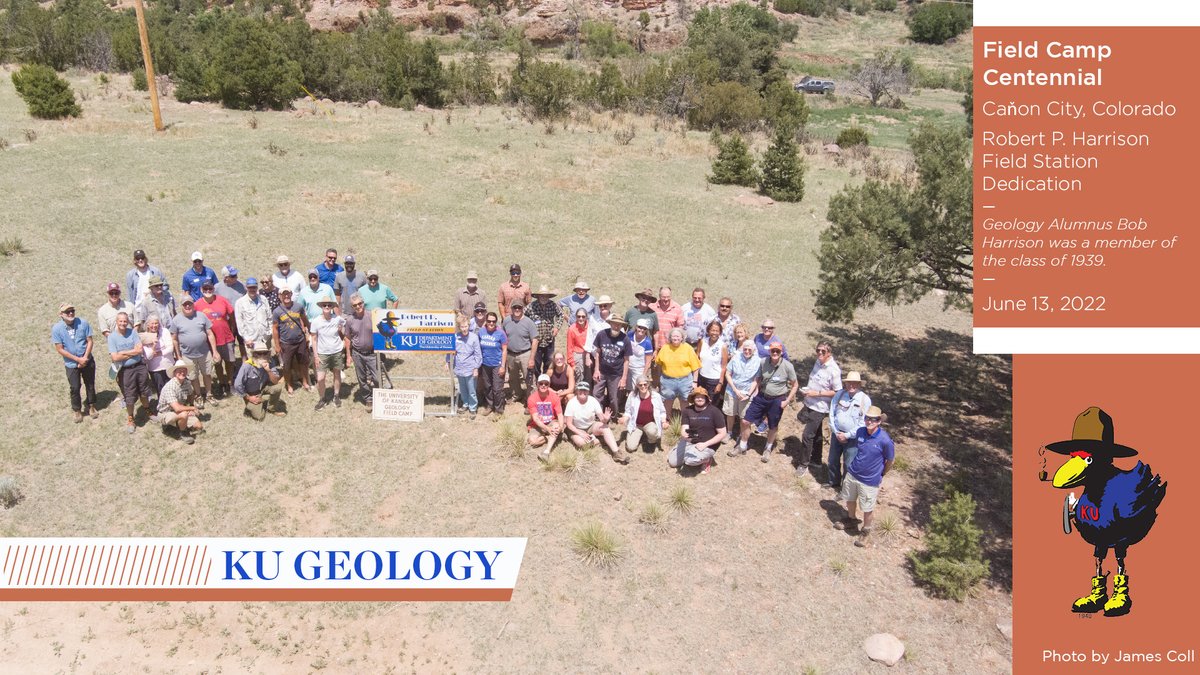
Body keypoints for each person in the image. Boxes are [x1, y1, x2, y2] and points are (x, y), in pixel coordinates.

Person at [839, 407, 894, 548]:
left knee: (867, 508)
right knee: (850, 499)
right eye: (867, 418)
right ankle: (851, 519)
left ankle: (866, 530)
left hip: (869, 480)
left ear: (879, 421)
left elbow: (890, 461)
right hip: (853, 473)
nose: (869, 421)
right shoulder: (860, 432)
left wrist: (881, 473)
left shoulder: (885, 440)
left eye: (874, 419)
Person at [733, 341, 798, 462]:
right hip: (762, 396)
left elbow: (795, 385)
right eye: (772, 350)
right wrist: (753, 392)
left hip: (777, 399)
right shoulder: (763, 362)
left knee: (773, 426)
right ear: (769, 352)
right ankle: (742, 445)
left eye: (777, 351)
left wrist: (787, 401)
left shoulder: (788, 366)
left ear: (781, 352)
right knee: (745, 420)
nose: (774, 353)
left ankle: (767, 448)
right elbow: (758, 378)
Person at [797, 340, 842, 477]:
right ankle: (816, 460)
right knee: (816, 434)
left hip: (820, 407)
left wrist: (817, 394)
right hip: (810, 402)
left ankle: (803, 464)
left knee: (807, 435)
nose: (820, 353)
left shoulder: (833, 370)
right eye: (818, 350)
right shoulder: (818, 363)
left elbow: (838, 391)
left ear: (829, 353)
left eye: (824, 351)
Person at [108, 312, 155, 434]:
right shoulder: (112, 337)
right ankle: (131, 418)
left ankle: (148, 410)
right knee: (129, 396)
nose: (123, 323)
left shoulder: (133, 332)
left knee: (144, 391)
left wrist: (123, 353)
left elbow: (139, 350)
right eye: (121, 321)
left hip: (140, 367)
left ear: (128, 321)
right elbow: (115, 358)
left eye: (125, 321)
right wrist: (132, 351)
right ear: (117, 322)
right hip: (125, 371)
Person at [169, 297, 220, 409]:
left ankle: (209, 394)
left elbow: (210, 334)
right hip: (187, 355)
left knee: (207, 374)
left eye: (190, 304)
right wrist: (178, 356)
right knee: (193, 376)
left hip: (205, 352)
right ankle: (198, 396)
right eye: (185, 304)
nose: (187, 306)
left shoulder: (201, 316)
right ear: (181, 306)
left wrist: (214, 351)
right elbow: (174, 339)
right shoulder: (176, 320)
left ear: (193, 305)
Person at [52, 302, 97, 422]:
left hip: (87, 360)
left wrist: (85, 358)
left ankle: (91, 406)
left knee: (90, 384)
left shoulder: (83, 323)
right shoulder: (57, 329)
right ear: (61, 314)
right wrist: (78, 360)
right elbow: (60, 349)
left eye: (72, 310)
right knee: (75, 387)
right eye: (67, 312)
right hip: (71, 364)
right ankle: (77, 410)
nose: (71, 313)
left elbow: (90, 341)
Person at [564, 382, 630, 464]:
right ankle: (601, 440)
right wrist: (580, 433)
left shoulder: (593, 400)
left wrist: (605, 419)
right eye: (580, 390)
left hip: (591, 425)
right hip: (576, 428)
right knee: (582, 444)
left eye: (585, 390)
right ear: (577, 391)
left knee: (605, 427)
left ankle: (616, 453)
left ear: (588, 392)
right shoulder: (572, 403)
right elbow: (569, 424)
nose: (583, 392)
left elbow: (602, 420)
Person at [828, 371, 872, 491]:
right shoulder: (840, 395)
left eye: (854, 383)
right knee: (833, 459)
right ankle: (833, 482)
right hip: (837, 434)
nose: (851, 386)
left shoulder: (864, 400)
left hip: (853, 438)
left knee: (849, 464)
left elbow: (863, 423)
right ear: (845, 384)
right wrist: (835, 431)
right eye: (849, 383)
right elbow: (832, 412)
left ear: (859, 385)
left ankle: (846, 490)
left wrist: (847, 435)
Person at [195, 281, 240, 398]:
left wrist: (232, 330)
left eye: (210, 289)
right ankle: (222, 383)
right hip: (210, 341)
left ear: (213, 289)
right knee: (217, 363)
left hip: (226, 337)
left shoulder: (222, 300)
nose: (208, 291)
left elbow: (231, 316)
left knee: (230, 362)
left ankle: (230, 383)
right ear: (201, 290)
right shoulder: (197, 305)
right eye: (205, 289)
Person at [670, 386, 726, 474]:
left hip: (707, 444)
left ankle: (707, 459)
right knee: (672, 463)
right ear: (693, 399)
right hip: (690, 441)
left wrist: (705, 444)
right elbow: (684, 428)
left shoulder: (715, 412)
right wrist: (684, 434)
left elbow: (722, 434)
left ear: (707, 398)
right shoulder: (687, 410)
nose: (699, 399)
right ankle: (685, 450)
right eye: (697, 397)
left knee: (689, 460)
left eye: (702, 397)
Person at [310, 296, 349, 410]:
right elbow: (314, 339)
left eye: (329, 305)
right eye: (324, 305)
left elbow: (346, 326)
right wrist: (316, 356)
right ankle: (322, 398)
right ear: (321, 307)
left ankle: (336, 396)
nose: (327, 307)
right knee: (321, 377)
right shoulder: (316, 321)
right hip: (322, 353)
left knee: (337, 374)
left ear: (332, 307)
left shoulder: (337, 318)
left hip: (336, 351)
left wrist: (341, 330)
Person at [654, 327, 700, 421]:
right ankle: (667, 418)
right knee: (667, 400)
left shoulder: (688, 348)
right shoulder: (665, 348)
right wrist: (658, 379)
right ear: (670, 337)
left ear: (682, 337)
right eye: (673, 336)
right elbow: (659, 365)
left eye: (678, 336)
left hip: (685, 380)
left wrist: (695, 382)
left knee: (685, 400)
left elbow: (696, 367)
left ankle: (685, 419)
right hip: (667, 380)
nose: (675, 338)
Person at [722, 340, 762, 445]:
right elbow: (728, 374)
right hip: (732, 391)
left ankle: (741, 435)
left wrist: (748, 394)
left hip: (747, 394)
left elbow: (756, 380)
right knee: (730, 414)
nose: (747, 351)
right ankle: (729, 432)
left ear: (754, 350)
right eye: (745, 349)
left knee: (743, 417)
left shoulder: (758, 361)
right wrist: (735, 389)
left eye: (749, 349)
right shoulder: (736, 358)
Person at [343, 292, 379, 410]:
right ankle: (368, 399)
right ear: (352, 307)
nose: (358, 307)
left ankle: (381, 397)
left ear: (363, 303)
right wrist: (348, 356)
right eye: (355, 305)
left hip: (372, 353)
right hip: (357, 354)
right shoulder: (350, 320)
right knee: (361, 378)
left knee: (377, 378)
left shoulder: (372, 316)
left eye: (360, 304)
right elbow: (347, 338)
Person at [233, 340, 286, 420]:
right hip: (252, 393)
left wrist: (268, 370)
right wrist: (248, 397)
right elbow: (237, 384)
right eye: (259, 353)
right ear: (254, 354)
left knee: (277, 387)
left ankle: (271, 408)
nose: (262, 356)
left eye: (264, 353)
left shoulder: (271, 362)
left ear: (268, 354)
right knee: (260, 417)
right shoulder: (247, 365)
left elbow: (275, 382)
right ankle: (252, 404)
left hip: (263, 387)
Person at [271, 288, 311, 394]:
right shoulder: (277, 311)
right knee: (286, 365)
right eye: (284, 294)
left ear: (291, 294)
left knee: (303, 362)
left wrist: (310, 331)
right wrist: (277, 345)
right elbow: (275, 329)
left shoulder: (298, 306)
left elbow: (304, 319)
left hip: (300, 340)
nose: (286, 296)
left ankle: (305, 381)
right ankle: (289, 385)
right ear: (280, 296)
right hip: (286, 343)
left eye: (288, 294)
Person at [502, 301, 538, 407]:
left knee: (529, 379)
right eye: (515, 308)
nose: (517, 310)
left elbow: (535, 340)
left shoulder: (529, 322)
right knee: (513, 378)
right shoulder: (506, 321)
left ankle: (531, 400)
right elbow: (503, 336)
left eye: (519, 308)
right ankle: (516, 394)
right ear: (511, 309)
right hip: (511, 354)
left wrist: (532, 358)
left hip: (525, 353)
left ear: (523, 309)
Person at [157, 359, 203, 445]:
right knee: (184, 414)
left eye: (184, 370)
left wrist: (191, 405)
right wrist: (192, 408)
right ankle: (183, 433)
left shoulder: (186, 382)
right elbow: (177, 408)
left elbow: (190, 394)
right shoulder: (170, 386)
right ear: (174, 373)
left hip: (180, 409)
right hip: (166, 412)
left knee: (199, 426)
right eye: (179, 371)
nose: (182, 372)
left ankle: (178, 424)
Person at [590, 316, 630, 415]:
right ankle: (598, 414)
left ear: (621, 326)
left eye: (619, 324)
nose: (616, 326)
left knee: (614, 397)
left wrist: (624, 378)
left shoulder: (625, 339)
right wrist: (596, 370)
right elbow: (598, 353)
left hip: (616, 374)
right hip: (602, 371)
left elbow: (626, 360)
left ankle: (613, 415)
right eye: (614, 323)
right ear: (610, 323)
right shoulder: (602, 334)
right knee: (596, 393)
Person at [620, 376, 665, 454]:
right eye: (640, 385)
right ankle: (640, 434)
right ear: (637, 386)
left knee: (653, 432)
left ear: (648, 384)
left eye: (645, 384)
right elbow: (628, 411)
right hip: (636, 425)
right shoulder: (632, 395)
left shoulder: (655, 396)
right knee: (631, 448)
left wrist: (663, 422)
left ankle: (651, 440)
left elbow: (662, 412)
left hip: (650, 423)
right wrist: (624, 418)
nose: (643, 386)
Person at [476, 311, 508, 416]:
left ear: (496, 322)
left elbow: (504, 350)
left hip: (497, 364)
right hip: (485, 364)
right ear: (486, 321)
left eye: (493, 322)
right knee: (487, 386)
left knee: (497, 388)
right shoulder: (481, 332)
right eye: (489, 321)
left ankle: (499, 410)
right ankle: (490, 405)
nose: (491, 323)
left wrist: (503, 366)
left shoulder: (501, 333)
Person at [450, 317, 482, 418]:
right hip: (459, 368)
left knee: (471, 389)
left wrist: (476, 368)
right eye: (462, 327)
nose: (464, 329)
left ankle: (473, 408)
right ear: (459, 327)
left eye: (466, 326)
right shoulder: (456, 337)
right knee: (462, 388)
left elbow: (478, 355)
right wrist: (447, 361)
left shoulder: (474, 338)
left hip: (470, 368)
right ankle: (465, 404)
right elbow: (450, 350)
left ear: (469, 326)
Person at [527, 374, 564, 460]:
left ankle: (546, 452)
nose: (543, 385)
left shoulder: (555, 397)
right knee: (532, 441)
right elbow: (535, 419)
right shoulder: (532, 398)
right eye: (541, 383)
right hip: (537, 425)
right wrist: (547, 429)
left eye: (546, 383)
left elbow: (560, 414)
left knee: (556, 427)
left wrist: (561, 427)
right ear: (537, 384)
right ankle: (552, 437)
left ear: (549, 385)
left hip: (551, 422)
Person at [527, 286, 561, 377]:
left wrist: (557, 327)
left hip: (549, 339)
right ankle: (538, 381)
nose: (544, 298)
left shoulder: (553, 305)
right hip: (536, 340)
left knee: (549, 361)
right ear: (538, 296)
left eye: (546, 296)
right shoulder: (531, 306)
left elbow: (560, 315)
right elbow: (523, 317)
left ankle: (546, 380)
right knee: (536, 363)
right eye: (542, 296)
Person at [235, 278, 272, 355]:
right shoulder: (240, 303)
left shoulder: (263, 299)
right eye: (250, 287)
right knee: (254, 363)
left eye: (254, 287)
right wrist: (246, 339)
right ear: (246, 288)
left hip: (265, 338)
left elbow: (269, 317)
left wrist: (269, 333)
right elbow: (240, 323)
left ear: (257, 287)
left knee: (266, 362)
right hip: (251, 340)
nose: (252, 289)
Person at [140, 315, 175, 396]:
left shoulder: (164, 331)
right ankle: (163, 406)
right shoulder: (144, 336)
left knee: (172, 387)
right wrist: (153, 346)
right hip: (155, 368)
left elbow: (170, 348)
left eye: (156, 323)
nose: (154, 326)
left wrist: (159, 353)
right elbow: (148, 356)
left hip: (168, 364)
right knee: (160, 389)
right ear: (148, 325)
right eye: (152, 324)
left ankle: (174, 405)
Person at [697, 320, 728, 399]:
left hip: (714, 380)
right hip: (701, 377)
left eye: (717, 331)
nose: (714, 333)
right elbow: (697, 358)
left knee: (711, 403)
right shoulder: (702, 342)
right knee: (700, 400)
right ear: (708, 331)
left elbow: (724, 366)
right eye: (712, 330)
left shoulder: (722, 346)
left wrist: (720, 383)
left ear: (720, 333)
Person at [566, 308, 591, 387]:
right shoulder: (572, 329)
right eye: (579, 316)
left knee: (589, 377)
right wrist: (572, 363)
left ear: (586, 317)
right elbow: (569, 347)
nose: (581, 318)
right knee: (579, 376)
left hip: (589, 353)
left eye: (583, 316)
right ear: (576, 317)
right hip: (577, 354)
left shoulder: (590, 327)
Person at [625, 319, 654, 386]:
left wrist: (643, 375)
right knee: (625, 387)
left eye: (644, 328)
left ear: (647, 330)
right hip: (627, 366)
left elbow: (648, 362)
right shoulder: (630, 335)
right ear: (636, 327)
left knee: (636, 388)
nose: (642, 330)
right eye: (640, 327)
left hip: (639, 369)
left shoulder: (647, 342)